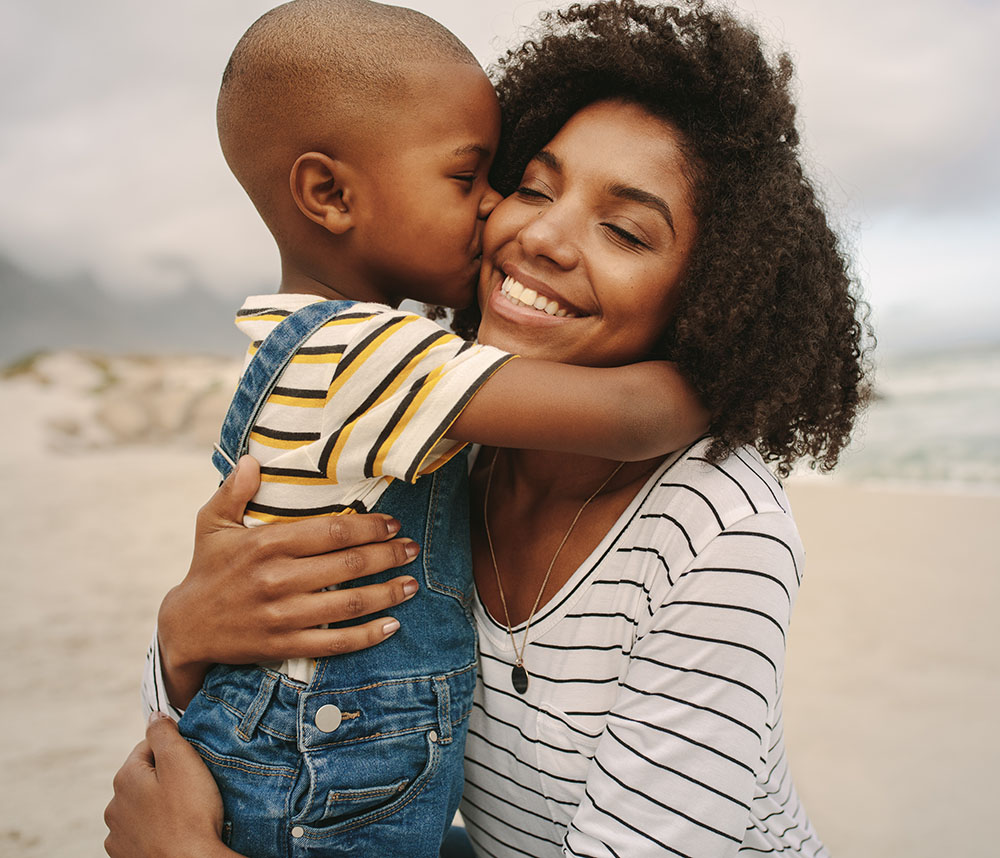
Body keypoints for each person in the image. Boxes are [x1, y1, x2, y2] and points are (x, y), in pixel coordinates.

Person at [105, 2, 872, 857]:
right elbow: (255, 697)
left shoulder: (716, 525)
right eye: (530, 186)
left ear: (713, 293)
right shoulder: (432, 443)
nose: (536, 233)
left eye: (623, 230)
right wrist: (182, 639)